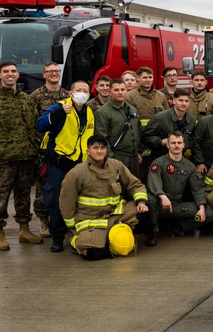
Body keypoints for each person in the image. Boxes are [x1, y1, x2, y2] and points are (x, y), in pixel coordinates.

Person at [0, 61, 44, 251]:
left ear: (18, 74)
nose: (10, 74)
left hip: (26, 157)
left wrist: (36, 146)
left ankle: (24, 229)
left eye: (13, 71)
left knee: (23, 196)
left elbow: (35, 126)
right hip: (3, 160)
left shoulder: (27, 100)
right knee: (0, 198)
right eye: (6, 71)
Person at [59, 134, 148, 259]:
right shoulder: (77, 173)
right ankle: (77, 241)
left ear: (106, 150)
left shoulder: (116, 166)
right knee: (93, 254)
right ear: (88, 151)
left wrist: (141, 202)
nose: (99, 151)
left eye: (102, 148)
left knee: (144, 212)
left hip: (115, 214)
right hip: (91, 220)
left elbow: (135, 184)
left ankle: (116, 235)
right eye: (95, 148)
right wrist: (72, 228)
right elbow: (66, 202)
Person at [38, 79, 96, 252]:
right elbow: (40, 125)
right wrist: (58, 114)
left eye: (85, 91)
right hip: (59, 163)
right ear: (70, 93)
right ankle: (57, 237)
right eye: (79, 90)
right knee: (57, 201)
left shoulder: (90, 112)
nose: (82, 93)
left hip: (80, 165)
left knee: (80, 202)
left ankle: (76, 235)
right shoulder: (60, 107)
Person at [147, 131, 212, 245]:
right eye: (173, 143)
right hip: (160, 205)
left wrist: (201, 207)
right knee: (150, 201)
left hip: (177, 206)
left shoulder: (190, 166)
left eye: (179, 143)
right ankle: (152, 233)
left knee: (208, 213)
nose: (176, 145)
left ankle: (179, 226)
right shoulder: (158, 163)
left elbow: (197, 188)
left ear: (183, 145)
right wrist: (162, 196)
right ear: (167, 145)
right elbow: (154, 183)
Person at [29, 61, 69, 239]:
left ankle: (62, 219)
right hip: (43, 151)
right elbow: (33, 125)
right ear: (44, 74)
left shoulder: (67, 95)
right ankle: (44, 220)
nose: (54, 73)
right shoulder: (36, 96)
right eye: (50, 71)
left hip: (64, 150)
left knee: (64, 186)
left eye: (56, 71)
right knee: (43, 187)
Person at [94, 78, 142, 177]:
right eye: (116, 90)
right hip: (117, 156)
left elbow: (138, 131)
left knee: (134, 187)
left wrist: (138, 152)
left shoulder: (132, 109)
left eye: (123, 90)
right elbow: (102, 138)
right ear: (110, 92)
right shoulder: (103, 112)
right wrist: (111, 158)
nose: (120, 93)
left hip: (134, 157)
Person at [143, 88, 194, 163]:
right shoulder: (160, 118)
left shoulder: (191, 119)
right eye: (180, 100)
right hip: (160, 160)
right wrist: (161, 142)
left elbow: (192, 139)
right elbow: (145, 137)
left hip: (180, 161)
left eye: (186, 101)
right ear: (174, 101)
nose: (184, 103)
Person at [127, 66, 169, 132]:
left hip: (158, 135)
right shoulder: (129, 96)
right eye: (145, 77)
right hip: (139, 135)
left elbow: (167, 116)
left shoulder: (161, 96)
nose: (148, 80)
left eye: (150, 77)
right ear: (138, 78)